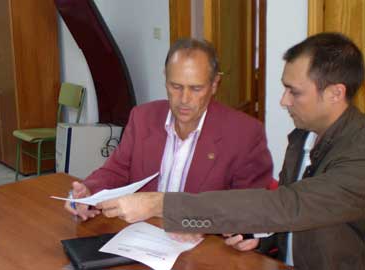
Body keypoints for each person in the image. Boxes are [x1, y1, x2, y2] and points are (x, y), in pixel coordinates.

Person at [97, 32, 365, 270]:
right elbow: (285, 223)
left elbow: (287, 205)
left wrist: (160, 204)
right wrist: (257, 238)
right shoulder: (303, 137)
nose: (284, 101)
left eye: (293, 92)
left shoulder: (359, 152)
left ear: (335, 93)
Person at [66, 38, 274, 224]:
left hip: (203, 248)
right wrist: (88, 192)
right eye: (176, 86)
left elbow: (249, 208)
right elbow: (117, 169)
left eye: (196, 89)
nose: (184, 99)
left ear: (214, 85)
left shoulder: (245, 133)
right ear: (165, 79)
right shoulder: (142, 117)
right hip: (143, 238)